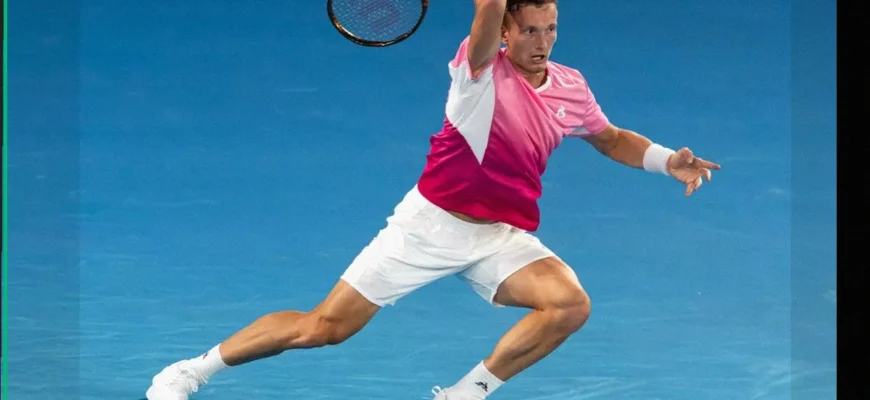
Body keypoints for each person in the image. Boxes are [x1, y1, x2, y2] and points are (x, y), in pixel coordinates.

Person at [145, 0, 721, 399]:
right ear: (504, 33)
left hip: (498, 235)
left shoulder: (570, 85)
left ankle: (465, 394)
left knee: (570, 305)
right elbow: (486, 11)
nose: (542, 42)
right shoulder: (479, 72)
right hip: (429, 226)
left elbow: (610, 138)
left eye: (551, 29)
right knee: (322, 328)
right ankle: (191, 371)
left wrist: (665, 159)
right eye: (529, 31)